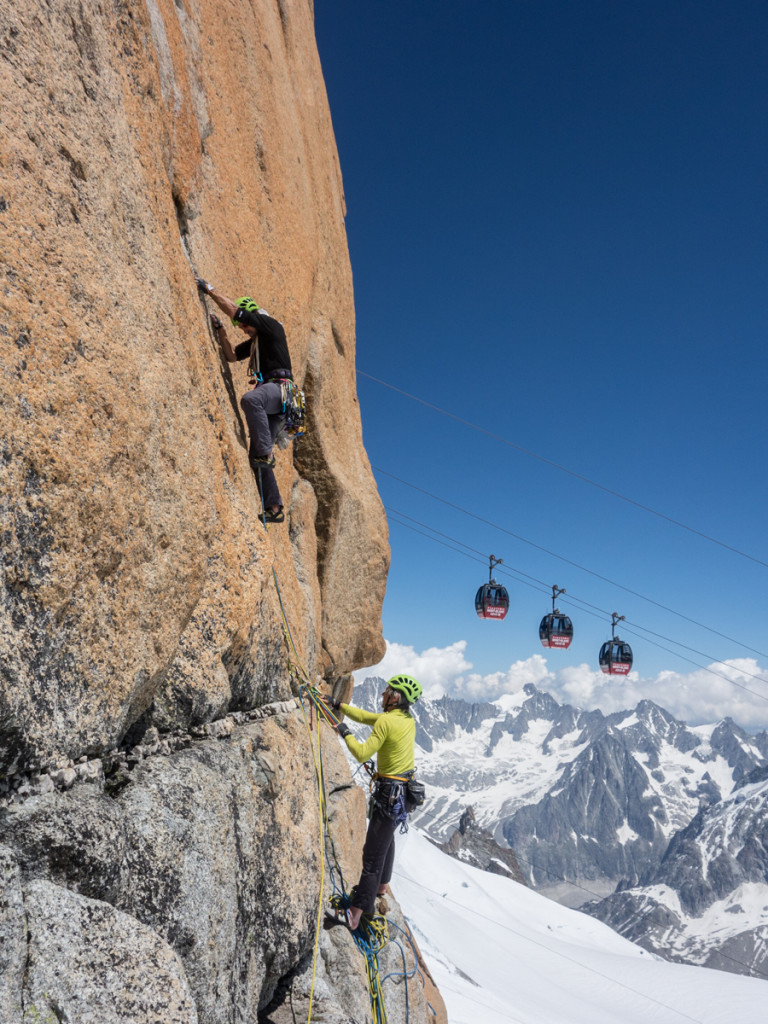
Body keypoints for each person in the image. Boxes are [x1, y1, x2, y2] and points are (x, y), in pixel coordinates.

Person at [326, 674, 423, 931]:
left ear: (394, 697)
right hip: (402, 793)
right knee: (386, 839)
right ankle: (381, 885)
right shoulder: (406, 720)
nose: (382, 695)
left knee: (371, 857)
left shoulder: (387, 722)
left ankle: (356, 914)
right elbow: (369, 718)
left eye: (386, 692)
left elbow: (361, 753)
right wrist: (338, 705)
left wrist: (343, 730)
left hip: (388, 795)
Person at [195, 276, 293, 524]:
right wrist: (221, 331)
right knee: (256, 458)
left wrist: (210, 290)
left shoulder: (270, 326)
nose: (244, 329)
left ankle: (264, 453)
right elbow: (229, 356)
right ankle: (274, 508)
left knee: (250, 400)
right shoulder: (255, 343)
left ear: (253, 316)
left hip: (280, 391)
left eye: (245, 326)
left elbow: (237, 312)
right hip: (276, 402)